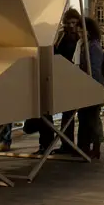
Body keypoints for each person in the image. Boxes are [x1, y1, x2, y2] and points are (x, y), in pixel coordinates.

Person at [33, 8, 82, 155]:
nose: (71, 26)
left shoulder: (80, 38)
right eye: (68, 23)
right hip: (57, 77)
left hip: (71, 79)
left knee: (68, 116)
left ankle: (67, 145)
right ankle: (48, 144)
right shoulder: (60, 36)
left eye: (74, 22)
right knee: (46, 112)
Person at [75, 17, 104, 159]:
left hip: (92, 87)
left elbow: (94, 69)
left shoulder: (93, 46)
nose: (80, 34)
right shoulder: (83, 45)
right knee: (84, 118)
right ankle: (84, 147)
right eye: (79, 32)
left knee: (92, 119)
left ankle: (95, 148)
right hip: (84, 86)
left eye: (82, 32)